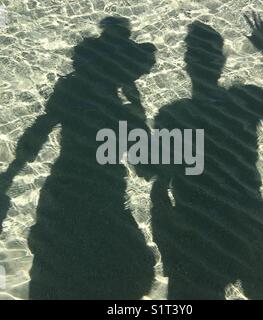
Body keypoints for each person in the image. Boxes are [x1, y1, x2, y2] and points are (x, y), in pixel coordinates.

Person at [0, 16, 156, 299]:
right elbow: (146, 167)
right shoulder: (122, 111)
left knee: (52, 276)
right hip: (104, 195)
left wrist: (9, 176)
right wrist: (138, 107)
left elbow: (38, 132)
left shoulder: (72, 90)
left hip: (63, 191)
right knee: (119, 281)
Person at [150, 13, 263, 299]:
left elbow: (160, 181)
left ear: (186, 64)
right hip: (246, 221)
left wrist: (166, 235)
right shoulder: (244, 99)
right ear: (221, 61)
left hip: (196, 228)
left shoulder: (173, 115)